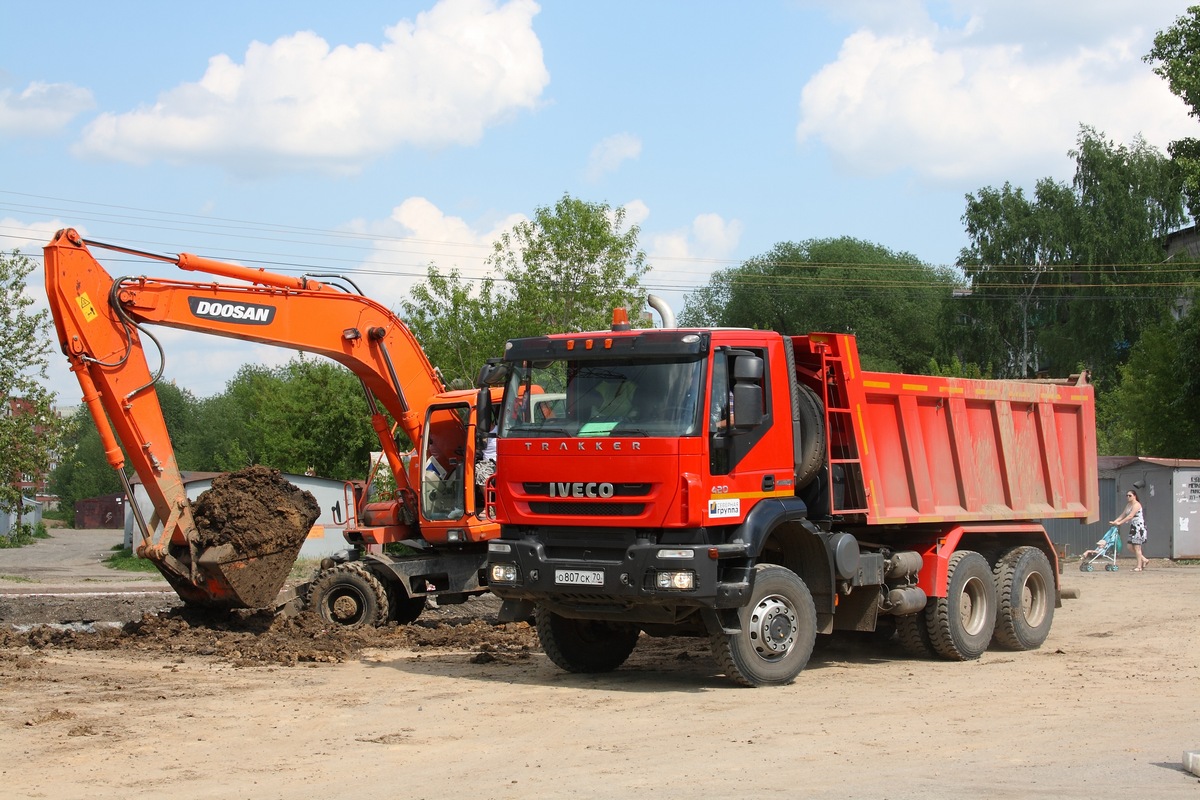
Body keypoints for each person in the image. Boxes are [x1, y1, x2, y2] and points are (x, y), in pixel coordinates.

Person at [1111, 489, 1150, 571]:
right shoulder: (1128, 505)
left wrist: (1120, 523)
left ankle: (1139, 567)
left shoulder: (1137, 505)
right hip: (1133, 527)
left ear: (1134, 496)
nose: (1128, 497)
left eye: (1130, 495)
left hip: (1139, 528)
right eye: (1127, 495)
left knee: (1137, 547)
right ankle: (1144, 560)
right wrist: (1115, 521)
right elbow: (1123, 514)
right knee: (1129, 547)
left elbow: (1130, 516)